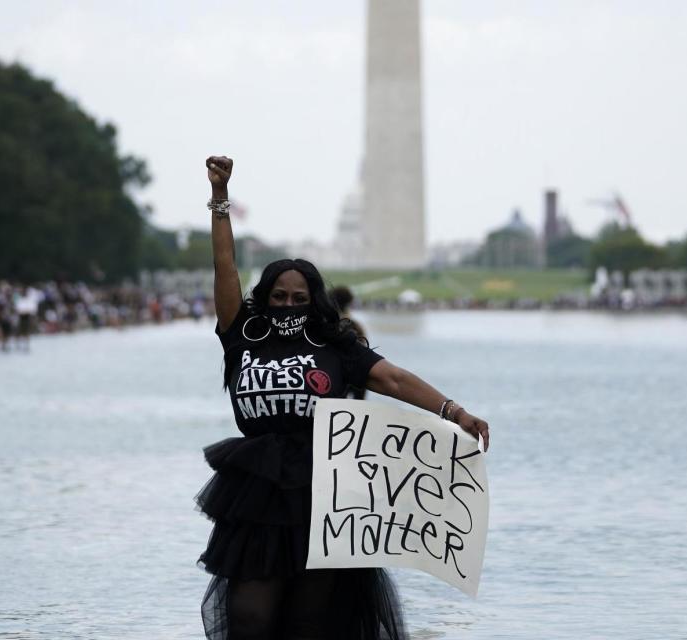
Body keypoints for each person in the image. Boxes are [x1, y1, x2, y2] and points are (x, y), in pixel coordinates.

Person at [195, 155, 490, 640]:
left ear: (314, 302)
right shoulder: (241, 335)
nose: (288, 305)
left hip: (328, 487)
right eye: (279, 297)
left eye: (299, 298)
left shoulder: (335, 346)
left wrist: (454, 412)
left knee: (314, 621)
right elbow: (223, 266)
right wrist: (220, 200)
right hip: (258, 491)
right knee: (250, 618)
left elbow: (392, 380)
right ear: (264, 298)